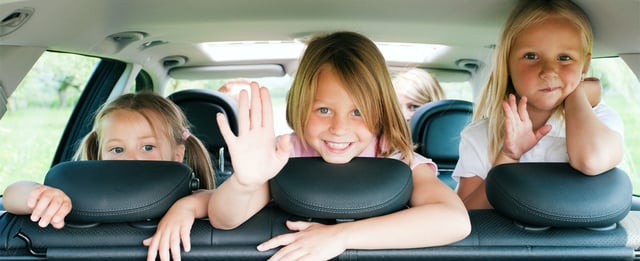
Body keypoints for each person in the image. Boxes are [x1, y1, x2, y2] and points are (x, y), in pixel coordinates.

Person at [207, 31, 471, 261]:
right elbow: (223, 219)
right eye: (323, 109)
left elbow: (455, 220)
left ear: (380, 112)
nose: (339, 128)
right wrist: (245, 184)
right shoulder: (283, 154)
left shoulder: (396, 158)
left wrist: (339, 237)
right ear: (300, 107)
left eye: (358, 112)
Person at [452, 0, 625, 210]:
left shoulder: (601, 121)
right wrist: (508, 156)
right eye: (531, 56)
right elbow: (465, 217)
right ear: (507, 63)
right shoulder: (481, 136)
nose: (549, 71)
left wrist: (576, 96)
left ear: (585, 64)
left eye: (564, 57)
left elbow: (591, 160)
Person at [2, 92, 215, 229]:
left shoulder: (187, 198)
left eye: (148, 147)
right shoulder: (78, 197)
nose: (131, 159)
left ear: (177, 155)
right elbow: (10, 196)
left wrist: (188, 206)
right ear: (99, 155)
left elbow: (213, 200)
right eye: (117, 149)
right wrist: (39, 195)